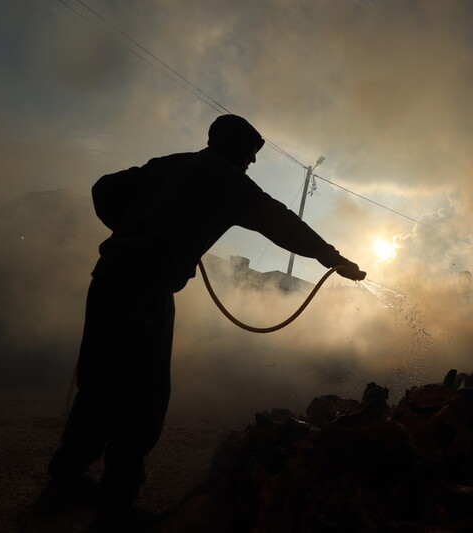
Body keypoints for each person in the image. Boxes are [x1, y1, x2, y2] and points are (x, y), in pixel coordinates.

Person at [37, 115, 365, 520]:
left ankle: (63, 481)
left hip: (108, 279)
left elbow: (103, 188)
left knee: (100, 382)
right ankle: (116, 504)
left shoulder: (169, 163)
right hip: (146, 290)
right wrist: (333, 258)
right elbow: (281, 222)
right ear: (237, 150)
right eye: (251, 154)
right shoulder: (227, 180)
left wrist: (133, 228)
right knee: (142, 394)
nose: (253, 163)